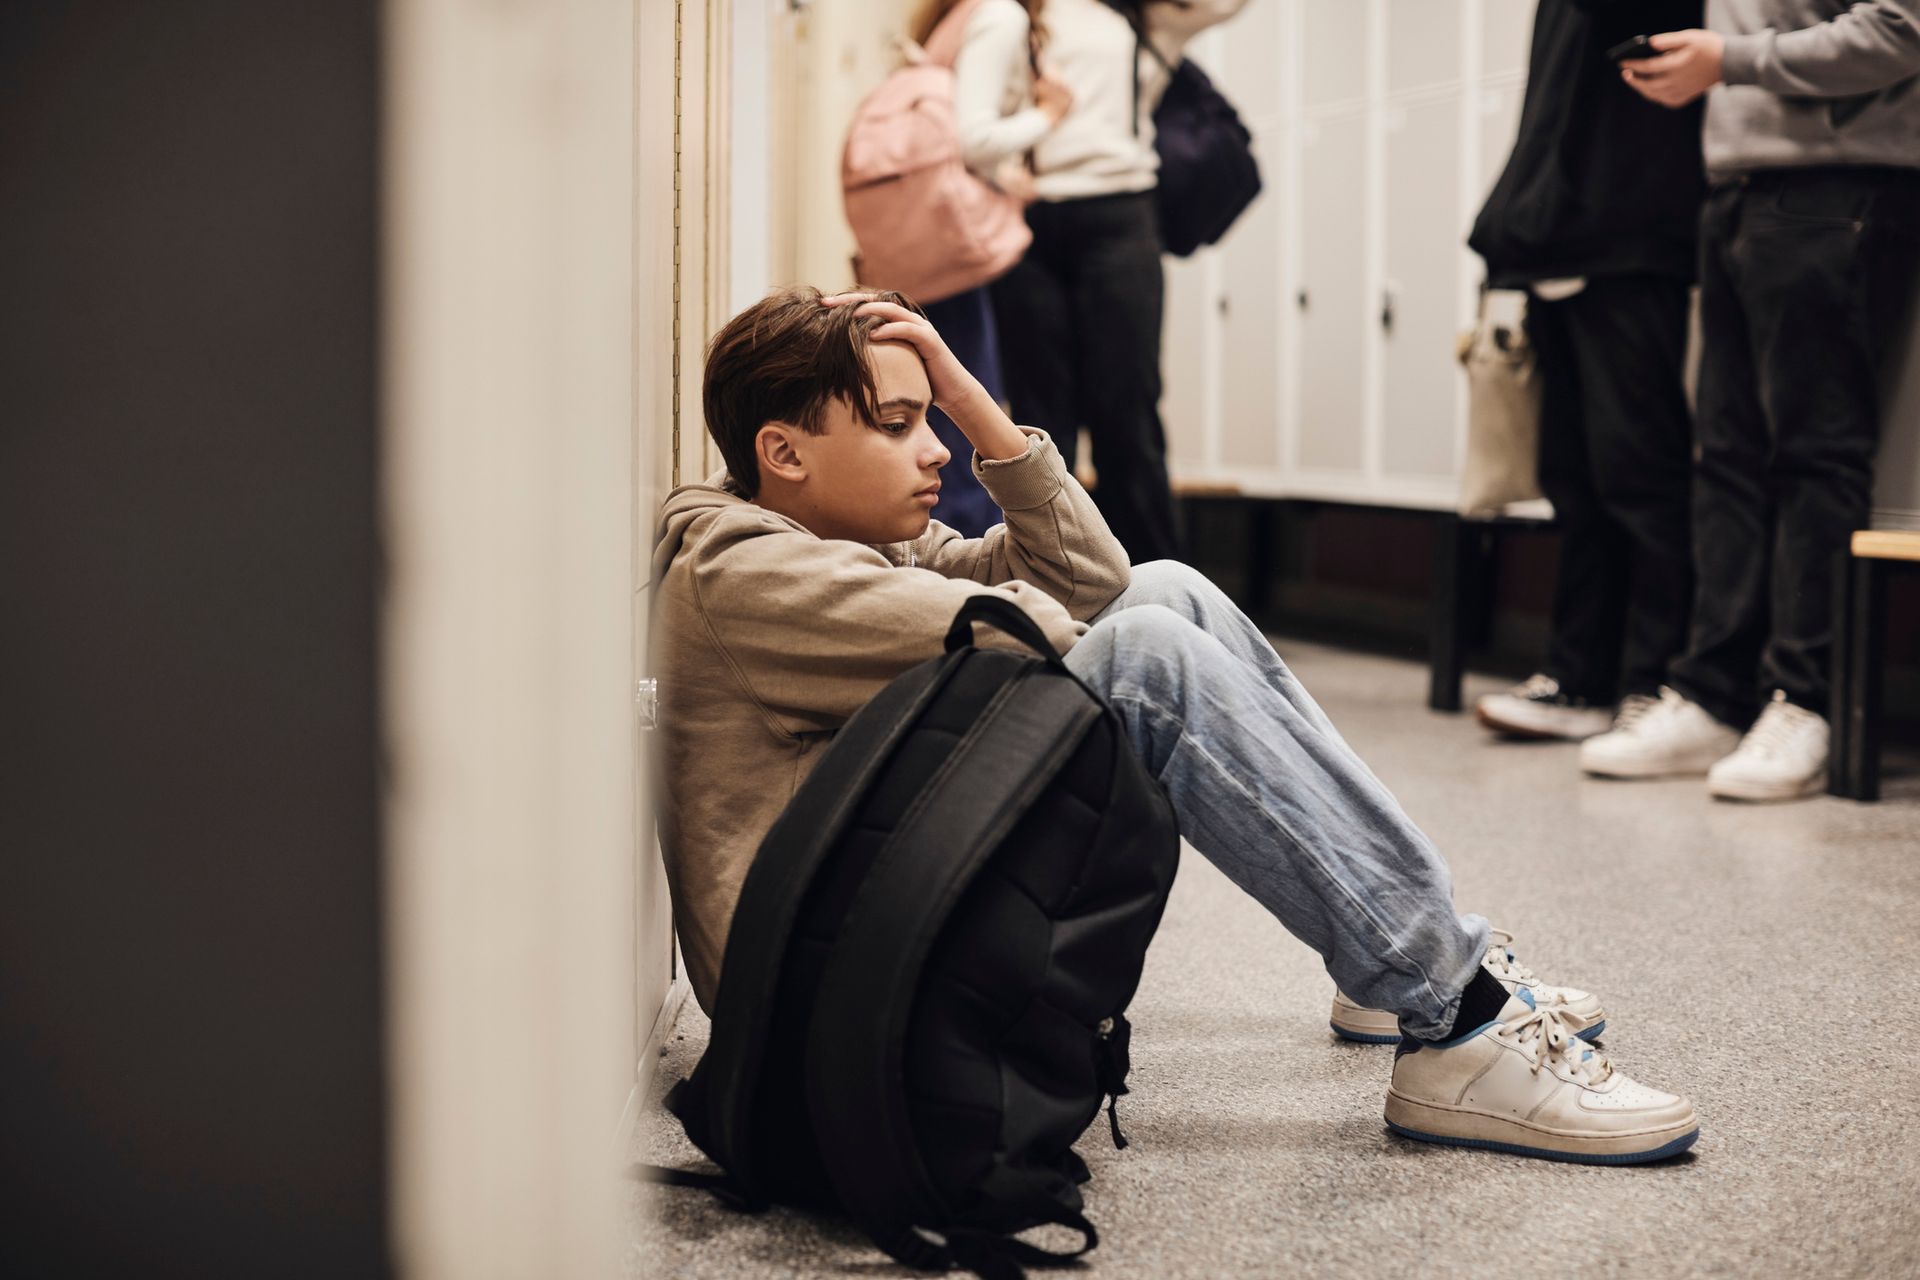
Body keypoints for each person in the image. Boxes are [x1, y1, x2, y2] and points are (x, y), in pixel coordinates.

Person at [651, 285, 1700, 1164]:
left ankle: (1390, 955)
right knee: (1144, 654)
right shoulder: (743, 572)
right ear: (782, 453)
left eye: (931, 419)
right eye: (896, 424)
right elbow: (1038, 628)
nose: (930, 450)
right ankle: (1454, 1012)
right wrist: (1100, 626)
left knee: (1166, 590)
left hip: (876, 939)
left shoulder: (847, 547)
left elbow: (1095, 578)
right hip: (829, 1014)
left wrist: (977, 406)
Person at [1587, 0, 1920, 800]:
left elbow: (1900, 30)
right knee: (1728, 456)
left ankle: (1806, 699)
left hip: (1836, 186)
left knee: (1816, 455)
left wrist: (1730, 61)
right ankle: (1714, 693)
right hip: (1736, 183)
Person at [1467, 0, 1705, 744]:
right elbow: (1550, 117)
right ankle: (1580, 678)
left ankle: (1655, 679)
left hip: (1630, 244)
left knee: (1640, 475)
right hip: (1555, 243)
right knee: (1572, 479)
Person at [986, 0, 1248, 564]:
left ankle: (1161, 592)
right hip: (1027, 226)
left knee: (1127, 414)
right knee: (1039, 418)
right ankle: (1044, 588)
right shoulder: (1013, 13)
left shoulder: (1146, 16)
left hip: (1121, 217)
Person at [892, 0, 1075, 537]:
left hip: (927, 239)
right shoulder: (1001, 14)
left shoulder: (953, 15)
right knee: (967, 417)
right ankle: (975, 591)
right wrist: (1049, 114)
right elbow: (973, 139)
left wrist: (1005, 177)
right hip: (956, 247)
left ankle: (941, 574)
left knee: (940, 413)